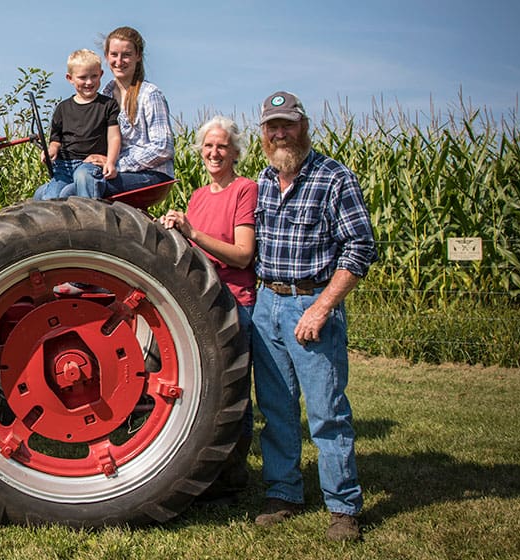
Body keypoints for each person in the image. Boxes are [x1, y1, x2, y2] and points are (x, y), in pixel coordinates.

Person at [249, 91, 376, 542]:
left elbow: (361, 247)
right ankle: (283, 492)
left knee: (326, 412)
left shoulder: (332, 177)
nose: (280, 133)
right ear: (262, 133)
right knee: (277, 407)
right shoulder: (263, 181)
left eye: (287, 124)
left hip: (311, 302)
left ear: (303, 126)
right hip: (268, 303)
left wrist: (323, 307)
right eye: (272, 126)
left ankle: (343, 507)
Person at [160, 115, 258, 503]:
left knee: (234, 391)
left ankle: (232, 475)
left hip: (235, 301)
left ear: (235, 152)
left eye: (222, 146)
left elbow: (242, 254)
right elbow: (191, 252)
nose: (214, 152)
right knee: (206, 391)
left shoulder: (243, 190)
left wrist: (193, 233)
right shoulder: (199, 196)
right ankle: (207, 470)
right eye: (208, 146)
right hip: (202, 303)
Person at [81, 26, 175, 197]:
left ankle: (92, 224)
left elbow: (163, 147)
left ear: (138, 56)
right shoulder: (105, 95)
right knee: (51, 192)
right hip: (119, 171)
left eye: (126, 55)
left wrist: (116, 163)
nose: (119, 61)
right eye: (114, 54)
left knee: (85, 185)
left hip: (151, 174)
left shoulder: (149, 95)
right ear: (106, 56)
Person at [33, 49, 121, 200]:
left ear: (101, 74)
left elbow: (114, 137)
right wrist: (51, 150)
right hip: (64, 166)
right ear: (70, 78)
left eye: (94, 76)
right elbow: (56, 139)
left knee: (83, 176)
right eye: (82, 77)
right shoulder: (63, 108)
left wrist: (111, 162)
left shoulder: (108, 105)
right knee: (51, 197)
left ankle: (90, 218)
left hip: (89, 164)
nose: (89, 82)